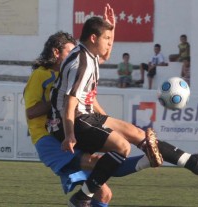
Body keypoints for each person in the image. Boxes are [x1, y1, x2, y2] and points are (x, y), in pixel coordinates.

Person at [50, 4, 198, 202]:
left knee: (141, 135)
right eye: (106, 38)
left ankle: (193, 162)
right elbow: (69, 102)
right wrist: (69, 135)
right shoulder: (81, 62)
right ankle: (83, 197)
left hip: (85, 116)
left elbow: (106, 55)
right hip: (70, 121)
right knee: (122, 147)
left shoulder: (90, 53)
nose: (109, 43)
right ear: (93, 38)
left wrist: (112, 27)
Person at [24, 31, 153, 207]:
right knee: (100, 165)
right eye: (69, 52)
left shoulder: (69, 75)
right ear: (56, 52)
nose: (73, 57)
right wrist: (61, 99)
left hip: (63, 134)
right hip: (46, 140)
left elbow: (99, 66)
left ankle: (149, 161)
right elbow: (31, 112)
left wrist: (104, 121)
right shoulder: (40, 74)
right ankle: (149, 161)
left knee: (104, 193)